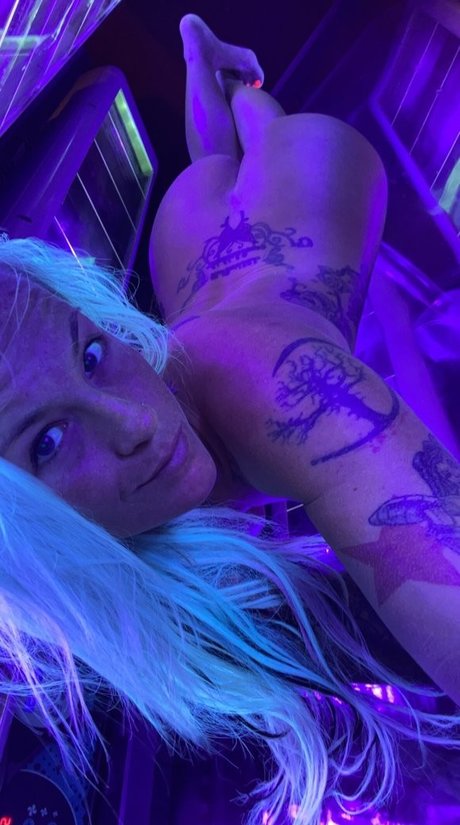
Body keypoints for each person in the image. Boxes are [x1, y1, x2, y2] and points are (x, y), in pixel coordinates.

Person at [0, 14, 459, 825]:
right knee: (210, 164)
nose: (136, 422)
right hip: (189, 243)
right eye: (50, 440)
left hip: (313, 170)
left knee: (260, 121)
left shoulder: (282, 387)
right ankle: (204, 61)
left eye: (93, 351)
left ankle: (232, 81)